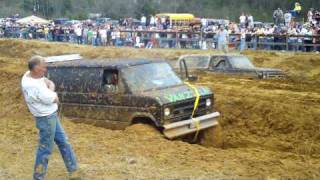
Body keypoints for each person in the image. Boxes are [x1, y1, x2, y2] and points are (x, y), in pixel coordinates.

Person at [21, 56, 81, 180]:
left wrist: (48, 85)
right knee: (45, 149)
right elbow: (56, 99)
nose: (45, 68)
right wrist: (51, 87)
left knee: (63, 142)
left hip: (49, 116)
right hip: (46, 118)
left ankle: (73, 171)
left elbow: (45, 81)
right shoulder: (36, 88)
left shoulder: (28, 74)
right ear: (36, 68)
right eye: (43, 66)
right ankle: (38, 177)